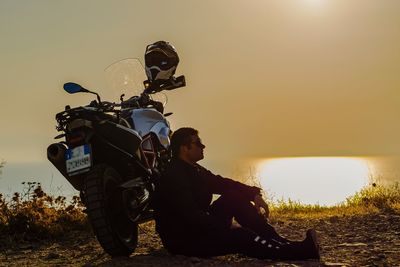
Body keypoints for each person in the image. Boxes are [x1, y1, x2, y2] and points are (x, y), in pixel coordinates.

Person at [153, 127, 320, 260]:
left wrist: (253, 194)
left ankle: (280, 242)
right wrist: (225, 226)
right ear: (184, 148)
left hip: (199, 227)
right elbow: (189, 215)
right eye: (198, 143)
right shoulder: (174, 175)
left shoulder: (194, 169)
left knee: (233, 197)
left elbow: (222, 183)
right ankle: (300, 252)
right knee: (242, 236)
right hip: (185, 239)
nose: (203, 146)